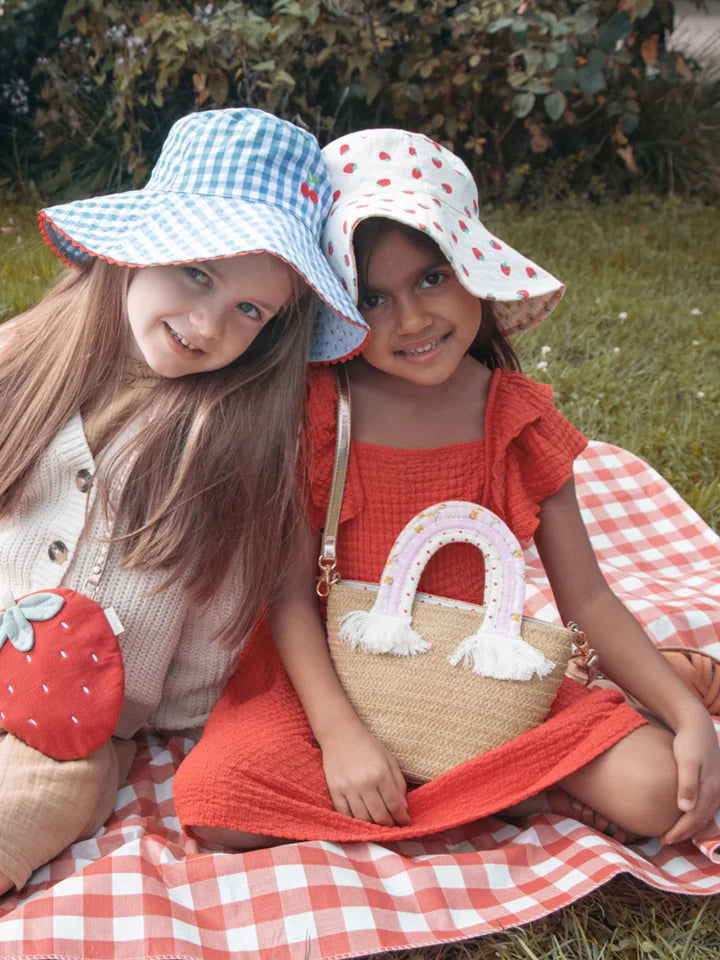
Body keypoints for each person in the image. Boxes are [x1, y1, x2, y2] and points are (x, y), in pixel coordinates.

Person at [174, 127, 720, 851]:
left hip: (477, 680)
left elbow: (586, 597)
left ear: (474, 270)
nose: (413, 319)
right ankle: (503, 791)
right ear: (338, 304)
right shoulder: (318, 410)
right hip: (326, 683)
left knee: (660, 787)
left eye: (432, 278)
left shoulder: (515, 418)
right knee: (219, 805)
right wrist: (340, 737)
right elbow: (286, 596)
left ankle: (484, 778)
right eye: (373, 297)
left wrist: (687, 717)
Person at [0, 107, 369, 895]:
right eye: (196, 273)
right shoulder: (26, 360)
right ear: (139, 252)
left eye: (249, 311)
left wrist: (164, 712)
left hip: (73, 727)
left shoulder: (232, 441)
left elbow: (218, 621)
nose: (207, 325)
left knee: (39, 799)